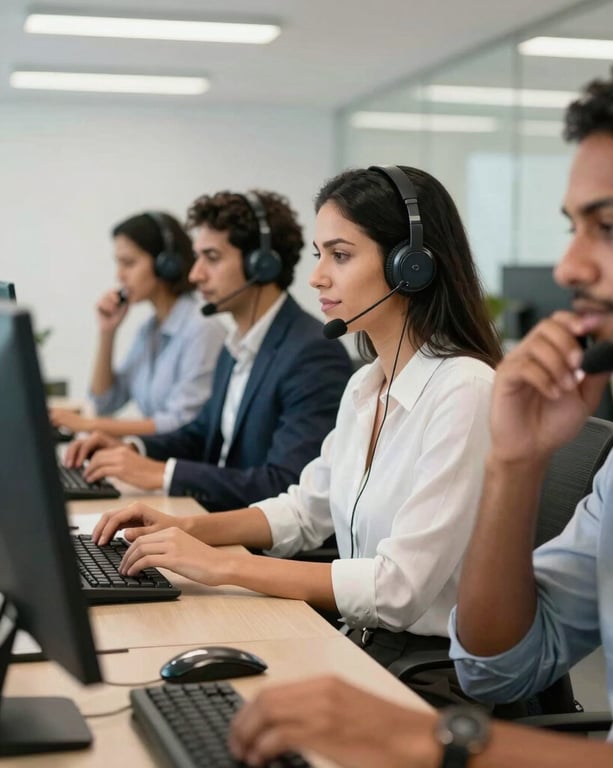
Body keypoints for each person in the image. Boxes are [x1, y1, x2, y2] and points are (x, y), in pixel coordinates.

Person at [226, 60, 613, 767]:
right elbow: (501, 666)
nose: (569, 266)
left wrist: (419, 739)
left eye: (609, 226)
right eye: (573, 227)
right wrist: (514, 464)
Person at [91, 165, 502, 664]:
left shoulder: (465, 391)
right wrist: (184, 530)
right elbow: (305, 509)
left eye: (341, 255)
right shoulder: (366, 384)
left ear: (409, 265)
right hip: (363, 643)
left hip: (428, 670)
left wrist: (223, 567)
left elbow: (397, 589)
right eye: (318, 255)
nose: (316, 276)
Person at [64, 189, 351, 512]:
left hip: (259, 547)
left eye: (211, 258)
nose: (194, 273)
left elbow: (286, 484)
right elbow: (200, 435)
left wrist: (162, 474)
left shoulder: (310, 354)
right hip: (219, 518)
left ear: (262, 264)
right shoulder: (235, 347)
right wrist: (132, 447)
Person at [49, 211, 226, 437]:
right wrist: (107, 332)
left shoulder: (202, 329)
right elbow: (105, 402)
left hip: (180, 466)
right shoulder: (149, 330)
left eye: (129, 263)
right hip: (150, 458)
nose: (119, 275)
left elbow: (181, 422)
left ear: (165, 264)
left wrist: (91, 425)